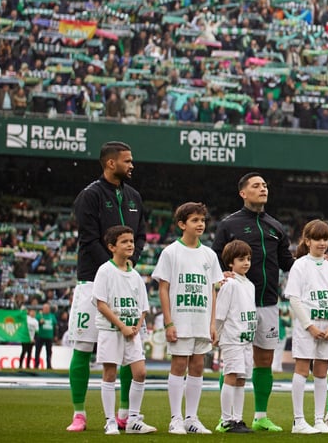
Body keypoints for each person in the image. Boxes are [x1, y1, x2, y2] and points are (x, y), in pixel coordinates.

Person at [66, 141, 147, 432]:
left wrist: (129, 262)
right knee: (83, 346)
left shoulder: (135, 196)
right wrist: (111, 269)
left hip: (127, 282)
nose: (132, 165)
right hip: (92, 281)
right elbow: (88, 238)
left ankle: (125, 413)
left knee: (130, 348)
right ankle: (79, 413)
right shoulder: (90, 196)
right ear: (110, 163)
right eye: (127, 161)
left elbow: (140, 236)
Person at [212, 172, 295, 433]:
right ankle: (225, 418)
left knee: (264, 359)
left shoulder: (276, 226)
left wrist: (315, 259)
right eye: (256, 186)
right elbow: (214, 258)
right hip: (238, 305)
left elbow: (287, 263)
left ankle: (260, 415)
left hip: (268, 302)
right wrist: (218, 274)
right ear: (243, 193)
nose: (263, 189)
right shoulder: (229, 225)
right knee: (233, 362)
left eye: (265, 185)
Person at [152, 202, 220, 435]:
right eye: (195, 220)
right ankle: (176, 418)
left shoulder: (209, 254)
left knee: (198, 365)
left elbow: (213, 290)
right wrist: (168, 322)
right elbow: (163, 288)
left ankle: (192, 417)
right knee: (179, 364)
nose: (200, 224)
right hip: (180, 319)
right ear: (182, 224)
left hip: (201, 319)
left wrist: (212, 323)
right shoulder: (171, 252)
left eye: (202, 220)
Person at [284, 219, 328, 434]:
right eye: (317, 239)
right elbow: (294, 298)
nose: (322, 243)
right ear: (307, 240)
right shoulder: (300, 264)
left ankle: (319, 420)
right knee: (302, 369)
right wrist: (309, 326)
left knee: (322, 371)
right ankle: (298, 421)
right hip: (307, 328)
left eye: (325, 239)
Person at [93, 225, 156, 435]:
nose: (130, 244)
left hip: (132, 333)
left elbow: (143, 307)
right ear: (112, 247)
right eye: (124, 242)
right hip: (111, 331)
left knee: (140, 373)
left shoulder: (136, 275)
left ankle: (133, 420)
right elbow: (101, 303)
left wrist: (137, 325)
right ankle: (110, 420)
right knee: (110, 374)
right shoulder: (105, 270)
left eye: (131, 241)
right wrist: (121, 326)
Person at [215, 240, 258, 434]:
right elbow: (220, 313)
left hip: (246, 339)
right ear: (230, 263)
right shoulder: (229, 284)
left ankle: (238, 419)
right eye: (241, 259)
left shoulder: (249, 284)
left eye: (248, 258)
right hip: (232, 337)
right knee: (231, 376)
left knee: (241, 379)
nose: (246, 262)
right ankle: (226, 420)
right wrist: (216, 332)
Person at [35, 302, 56, 370]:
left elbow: (55, 326)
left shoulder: (52, 316)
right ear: (43, 309)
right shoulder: (39, 316)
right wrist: (39, 323)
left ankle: (49, 365)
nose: (46, 309)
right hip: (40, 336)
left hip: (49, 337)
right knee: (38, 351)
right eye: (45, 308)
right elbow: (34, 325)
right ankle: (36, 365)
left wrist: (55, 335)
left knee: (49, 352)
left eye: (47, 308)